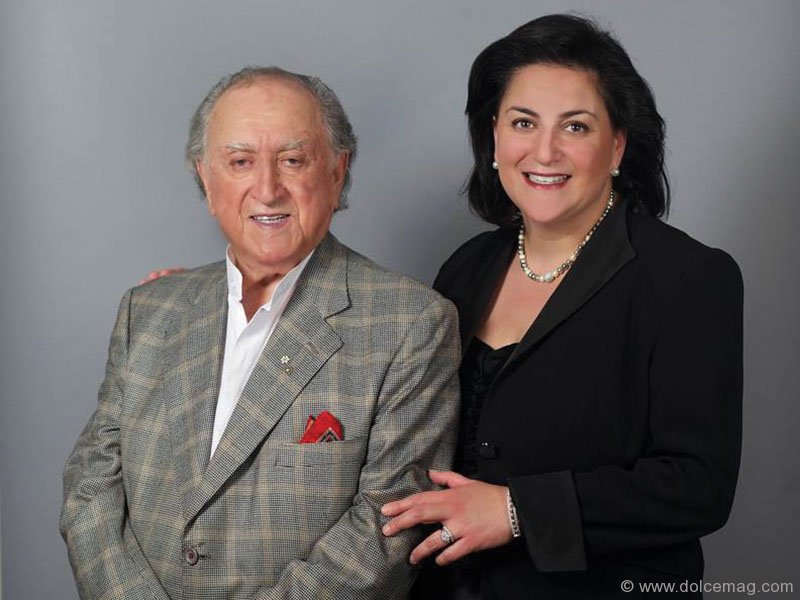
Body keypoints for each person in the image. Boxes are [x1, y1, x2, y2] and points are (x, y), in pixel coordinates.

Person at [60, 66, 461, 599]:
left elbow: (385, 530)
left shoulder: (411, 324)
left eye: (293, 160)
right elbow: (90, 488)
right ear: (206, 179)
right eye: (240, 162)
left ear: (337, 171)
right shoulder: (149, 311)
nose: (268, 190)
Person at [381, 14, 743, 599]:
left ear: (617, 144)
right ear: (494, 136)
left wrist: (516, 510)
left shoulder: (687, 278)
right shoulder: (467, 267)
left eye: (575, 126)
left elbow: (699, 485)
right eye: (523, 122)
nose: (544, 151)